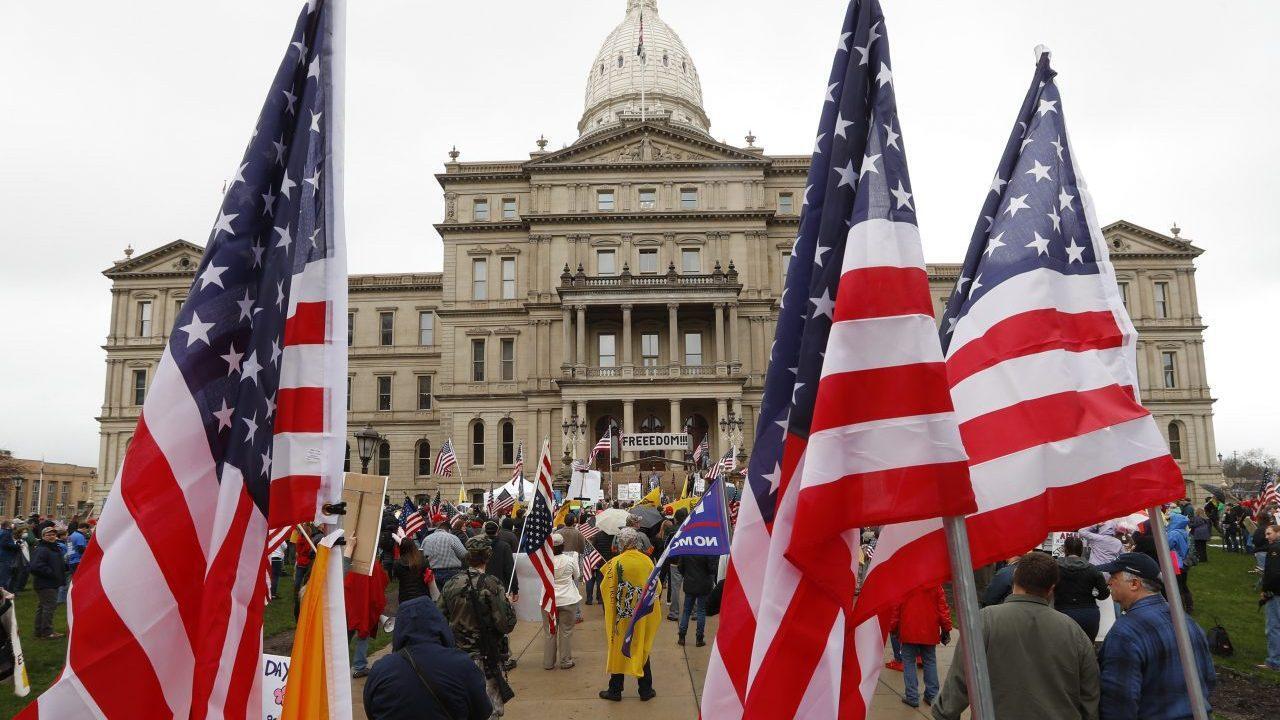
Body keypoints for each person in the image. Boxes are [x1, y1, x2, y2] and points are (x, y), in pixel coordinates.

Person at [933, 552, 1098, 720]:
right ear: (1051, 589)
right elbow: (1090, 699)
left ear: (1014, 579)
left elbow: (956, 690)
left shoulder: (983, 621)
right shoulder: (1075, 632)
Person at [1096, 552, 1215, 719]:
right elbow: (1208, 679)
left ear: (1134, 584)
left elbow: (1119, 702)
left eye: (1114, 577)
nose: (1108, 582)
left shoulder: (1126, 633)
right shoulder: (1186, 622)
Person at [363, 596, 493, 720]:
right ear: (439, 623)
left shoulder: (380, 670)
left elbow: (371, 711)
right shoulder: (462, 664)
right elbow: (482, 712)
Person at [438, 536, 518, 718]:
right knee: (490, 710)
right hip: (486, 657)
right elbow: (505, 624)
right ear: (488, 557)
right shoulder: (492, 584)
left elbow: (440, 617)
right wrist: (508, 605)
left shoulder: (451, 583)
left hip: (457, 657)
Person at [599, 528, 660, 702]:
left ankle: (615, 690)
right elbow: (657, 586)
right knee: (640, 647)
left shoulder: (615, 563)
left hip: (620, 616)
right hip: (640, 615)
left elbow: (605, 589)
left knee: (619, 648)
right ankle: (645, 690)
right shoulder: (647, 561)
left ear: (621, 543)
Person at [890, 584, 952, 708]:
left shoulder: (906, 584)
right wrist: (946, 628)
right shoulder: (935, 585)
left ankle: (912, 696)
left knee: (908, 662)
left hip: (909, 629)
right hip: (929, 630)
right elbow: (942, 608)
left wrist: (893, 627)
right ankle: (932, 695)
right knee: (930, 661)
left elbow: (896, 608)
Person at [1055, 536, 1110, 640]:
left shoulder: (1054, 568)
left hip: (1062, 613)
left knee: (1064, 650)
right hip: (1088, 614)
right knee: (1088, 649)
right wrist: (1094, 593)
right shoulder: (1093, 569)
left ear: (1064, 549)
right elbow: (1104, 594)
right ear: (1082, 550)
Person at [543, 533, 582, 670]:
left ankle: (548, 662)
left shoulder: (545, 561)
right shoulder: (570, 560)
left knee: (549, 631)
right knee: (566, 631)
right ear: (563, 546)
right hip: (567, 599)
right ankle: (565, 661)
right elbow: (577, 576)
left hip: (548, 599)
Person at [346, 561, 389, 678]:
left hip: (349, 603)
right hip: (365, 603)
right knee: (363, 634)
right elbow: (383, 580)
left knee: (346, 635)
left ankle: (340, 665)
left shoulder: (349, 561)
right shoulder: (373, 564)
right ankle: (359, 666)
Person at [28, 525, 66, 639]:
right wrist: (51, 573)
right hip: (46, 584)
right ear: (43, 536)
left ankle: (39, 631)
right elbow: (35, 566)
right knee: (49, 607)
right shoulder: (42, 549)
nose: (51, 537)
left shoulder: (53, 547)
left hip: (50, 583)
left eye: (53, 534)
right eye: (48, 535)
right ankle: (47, 632)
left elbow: (55, 563)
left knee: (43, 607)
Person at [677, 551, 716, 647]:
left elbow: (680, 566)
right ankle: (699, 638)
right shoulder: (708, 550)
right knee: (701, 611)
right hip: (704, 584)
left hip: (690, 583)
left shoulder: (688, 548)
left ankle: (682, 636)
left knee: (686, 611)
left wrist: (687, 574)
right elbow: (712, 569)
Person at [1260, 524, 1280, 671]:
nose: (1267, 537)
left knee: (1273, 626)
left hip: (1276, 593)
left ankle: (1274, 661)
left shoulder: (1274, 549)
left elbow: (1273, 573)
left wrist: (1266, 590)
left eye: (1269, 534)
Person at [395, 537, 439, 603]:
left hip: (405, 597)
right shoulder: (423, 560)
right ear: (414, 546)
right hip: (422, 594)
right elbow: (428, 575)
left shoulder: (397, 563)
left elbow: (397, 577)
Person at [482, 522, 518, 601]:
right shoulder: (504, 546)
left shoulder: (479, 546)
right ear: (498, 531)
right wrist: (515, 589)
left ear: (485, 531)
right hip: (500, 587)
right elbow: (510, 568)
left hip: (482, 586)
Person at [1166, 513, 1194, 613]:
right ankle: (1189, 606)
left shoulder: (1173, 533)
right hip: (1184, 561)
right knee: (1183, 585)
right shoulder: (1184, 532)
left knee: (1177, 587)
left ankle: (1180, 609)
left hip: (1176, 563)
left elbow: (1166, 546)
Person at [667, 508, 688, 621]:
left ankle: (674, 613)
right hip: (689, 561)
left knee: (675, 588)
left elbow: (667, 546)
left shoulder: (671, 530)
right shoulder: (691, 529)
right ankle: (694, 611)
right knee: (691, 586)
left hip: (675, 562)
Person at [0, 521, 17, 591]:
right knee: (5, 576)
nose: (12, 525)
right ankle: (4, 592)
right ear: (8, 525)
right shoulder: (6, 533)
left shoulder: (3, 531)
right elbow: (4, 544)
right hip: (6, 556)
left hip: (3, 555)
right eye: (11, 524)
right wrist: (16, 546)